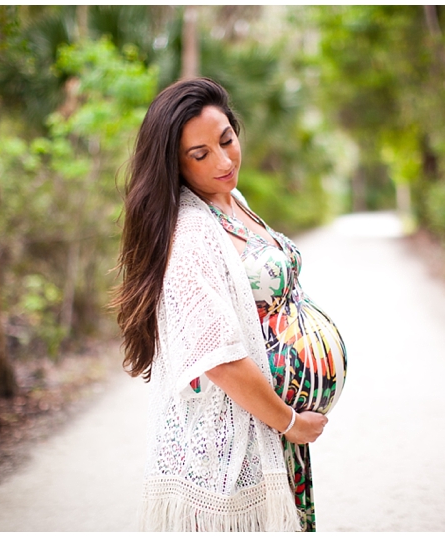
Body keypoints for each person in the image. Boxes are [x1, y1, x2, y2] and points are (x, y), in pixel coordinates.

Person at [113, 77, 347, 532]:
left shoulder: (232, 200)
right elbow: (217, 359)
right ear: (174, 165)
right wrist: (290, 422)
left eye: (227, 140)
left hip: (274, 431)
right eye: (200, 155)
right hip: (239, 450)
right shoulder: (190, 235)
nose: (223, 161)